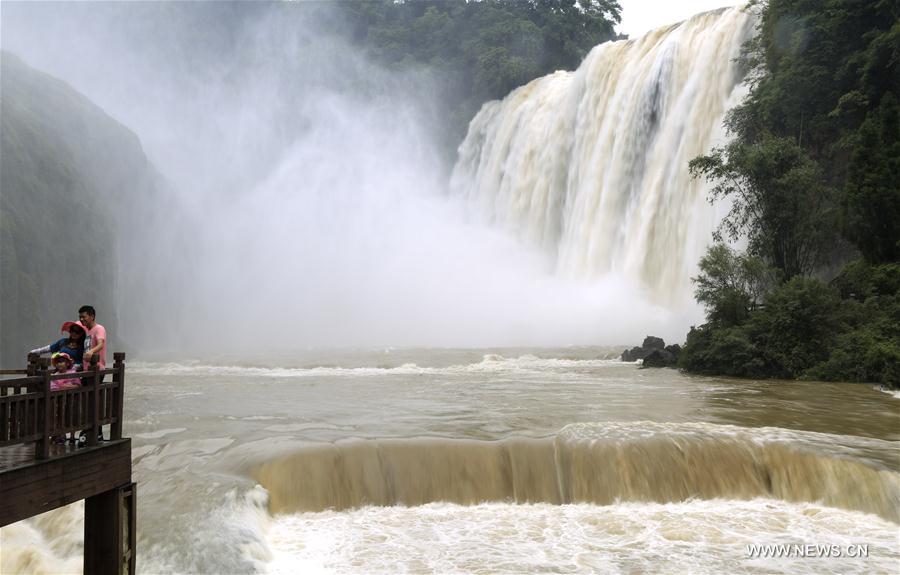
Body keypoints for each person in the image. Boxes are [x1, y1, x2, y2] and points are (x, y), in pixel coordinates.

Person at [79, 305, 107, 370]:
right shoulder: (85, 329)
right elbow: (74, 324)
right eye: (80, 317)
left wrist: (91, 351)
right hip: (86, 369)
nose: (81, 319)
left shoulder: (99, 329)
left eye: (83, 317)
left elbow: (101, 344)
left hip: (97, 368)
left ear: (92, 317)